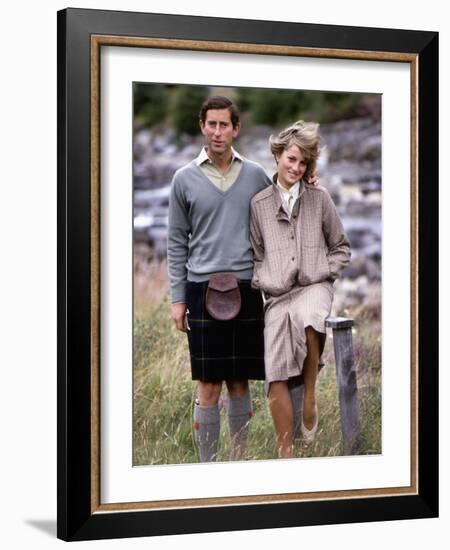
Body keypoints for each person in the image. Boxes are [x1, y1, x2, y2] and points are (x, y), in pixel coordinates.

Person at [167, 96, 272, 462]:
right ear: (202, 126)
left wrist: (308, 177)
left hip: (246, 287)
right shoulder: (184, 179)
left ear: (236, 129)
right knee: (208, 383)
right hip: (201, 289)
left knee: (240, 380)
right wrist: (178, 300)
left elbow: (279, 212)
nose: (217, 132)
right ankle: (207, 467)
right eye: (211, 124)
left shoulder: (257, 174)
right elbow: (177, 241)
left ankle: (240, 461)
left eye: (223, 124)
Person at [249, 120, 351, 459]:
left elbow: (341, 247)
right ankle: (286, 453)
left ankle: (309, 395)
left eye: (303, 162)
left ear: (309, 167)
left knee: (310, 319)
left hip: (314, 287)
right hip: (277, 296)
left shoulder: (319, 198)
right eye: (291, 159)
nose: (296, 167)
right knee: (275, 369)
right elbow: (255, 254)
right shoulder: (259, 205)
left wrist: (325, 272)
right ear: (277, 155)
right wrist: (262, 279)